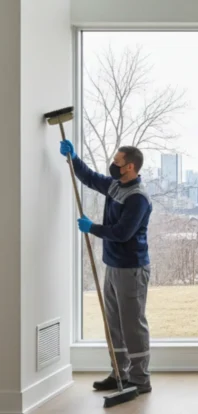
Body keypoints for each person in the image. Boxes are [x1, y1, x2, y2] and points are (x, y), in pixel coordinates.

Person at [60, 140, 153, 394]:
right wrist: (74, 158)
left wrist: (93, 228)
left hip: (132, 269)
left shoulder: (138, 198)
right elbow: (90, 178)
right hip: (113, 265)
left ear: (130, 167)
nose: (113, 165)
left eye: (117, 162)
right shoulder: (115, 186)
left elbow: (123, 233)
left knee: (132, 324)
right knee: (114, 323)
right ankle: (119, 373)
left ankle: (140, 379)